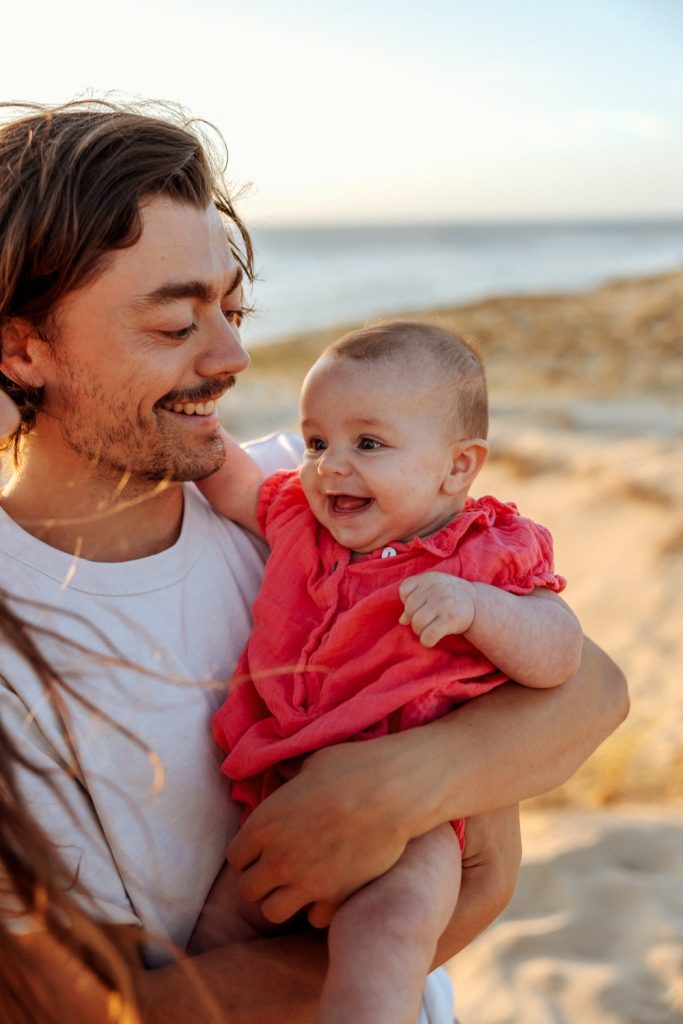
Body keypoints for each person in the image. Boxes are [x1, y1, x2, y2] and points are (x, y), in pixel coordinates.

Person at [0, 99, 628, 1023]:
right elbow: (104, 1009)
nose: (233, 355)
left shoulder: (314, 498)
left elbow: (593, 689)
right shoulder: (19, 639)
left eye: (233, 307)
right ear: (23, 344)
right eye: (177, 327)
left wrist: (394, 787)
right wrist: (462, 897)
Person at [195, 320, 584, 1024]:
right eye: (316, 442)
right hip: (280, 797)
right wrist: (185, 414)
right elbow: (231, 486)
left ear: (457, 467)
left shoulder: (483, 554)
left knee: (390, 932)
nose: (330, 465)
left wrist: (478, 609)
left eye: (367, 444)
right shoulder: (297, 518)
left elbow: (561, 653)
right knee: (214, 938)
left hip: (416, 821)